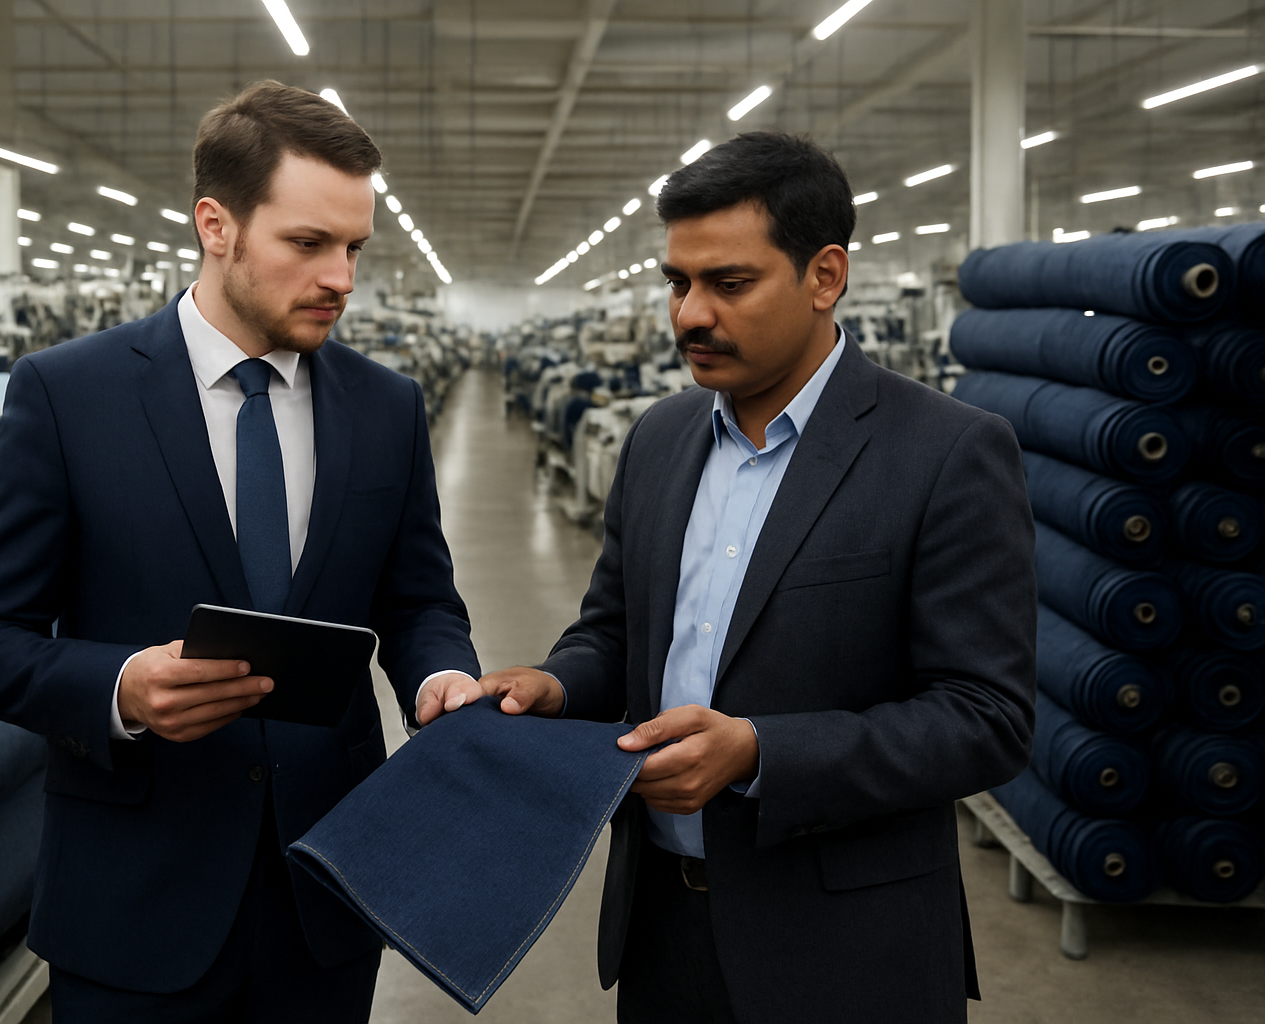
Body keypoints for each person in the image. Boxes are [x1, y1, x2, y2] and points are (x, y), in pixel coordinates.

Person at [421, 131, 1036, 1023]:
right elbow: (615, 631)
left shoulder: (945, 454)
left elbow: (987, 718)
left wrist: (759, 753)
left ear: (825, 276)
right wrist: (554, 685)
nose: (689, 316)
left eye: (729, 284)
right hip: (664, 931)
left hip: (847, 951)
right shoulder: (661, 440)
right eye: (678, 283)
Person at [0, 81, 480, 1022]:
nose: (342, 278)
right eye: (308, 244)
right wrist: (120, 689)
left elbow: (419, 599)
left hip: (330, 895)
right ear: (215, 225)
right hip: (135, 906)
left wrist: (442, 677)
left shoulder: (386, 408)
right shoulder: (70, 397)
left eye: (354, 248)